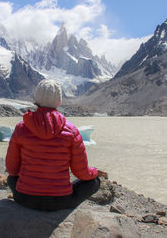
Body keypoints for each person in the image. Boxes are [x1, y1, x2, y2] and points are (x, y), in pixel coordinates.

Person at [6, 79, 107, 211]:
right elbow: (81, 172)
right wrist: (95, 172)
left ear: (36, 99)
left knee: (11, 178)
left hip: (25, 198)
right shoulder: (71, 131)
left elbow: (12, 169)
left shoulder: (21, 128)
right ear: (59, 101)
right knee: (94, 182)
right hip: (61, 201)